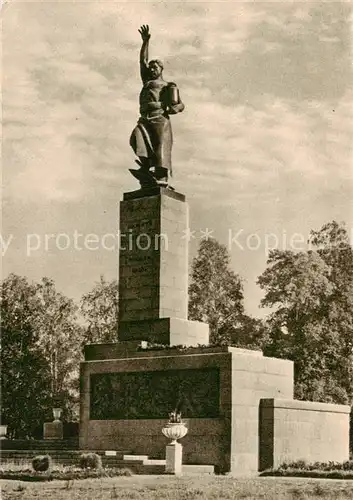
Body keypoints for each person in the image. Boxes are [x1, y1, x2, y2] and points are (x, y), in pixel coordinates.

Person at [129, 25, 184, 186]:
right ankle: (145, 169)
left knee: (160, 148)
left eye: (155, 67)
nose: (152, 69)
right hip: (145, 118)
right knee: (136, 139)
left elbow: (180, 104)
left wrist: (175, 108)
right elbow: (142, 61)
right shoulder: (147, 81)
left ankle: (161, 177)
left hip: (160, 119)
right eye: (151, 68)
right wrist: (145, 42)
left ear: (161, 70)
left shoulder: (167, 85)